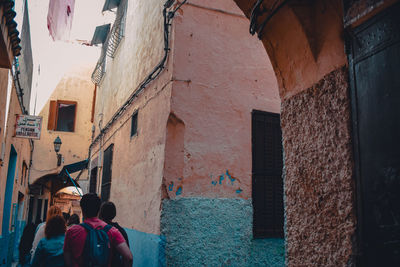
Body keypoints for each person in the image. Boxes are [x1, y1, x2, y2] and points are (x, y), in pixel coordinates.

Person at [63, 193, 133, 267]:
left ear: (82, 209)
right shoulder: (112, 231)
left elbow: (67, 259)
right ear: (98, 210)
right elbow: (129, 258)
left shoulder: (72, 231)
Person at [99, 202, 130, 266]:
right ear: (114, 214)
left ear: (101, 214)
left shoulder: (97, 230)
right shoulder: (120, 231)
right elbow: (128, 257)